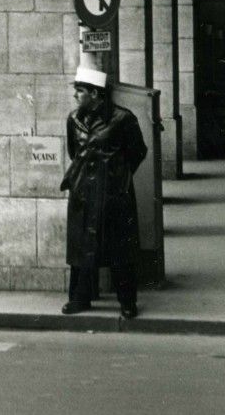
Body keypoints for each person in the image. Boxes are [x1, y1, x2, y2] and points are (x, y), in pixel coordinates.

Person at [60, 66, 147, 319]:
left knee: (120, 250)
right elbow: (73, 152)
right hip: (83, 192)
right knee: (81, 249)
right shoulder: (73, 119)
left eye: (80, 91)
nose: (76, 96)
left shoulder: (123, 118)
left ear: (95, 94)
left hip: (113, 193)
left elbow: (138, 151)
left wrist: (118, 175)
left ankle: (127, 301)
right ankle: (80, 298)